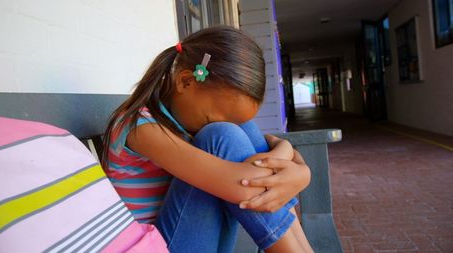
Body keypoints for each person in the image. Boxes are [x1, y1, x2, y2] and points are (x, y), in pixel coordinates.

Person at [101, 26, 313, 253]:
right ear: (186, 82)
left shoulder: (180, 120)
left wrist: (291, 160)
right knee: (222, 135)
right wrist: (290, 160)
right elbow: (244, 187)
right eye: (209, 118)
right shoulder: (139, 127)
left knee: (245, 130)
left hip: (190, 238)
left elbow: (260, 165)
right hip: (153, 248)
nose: (212, 124)